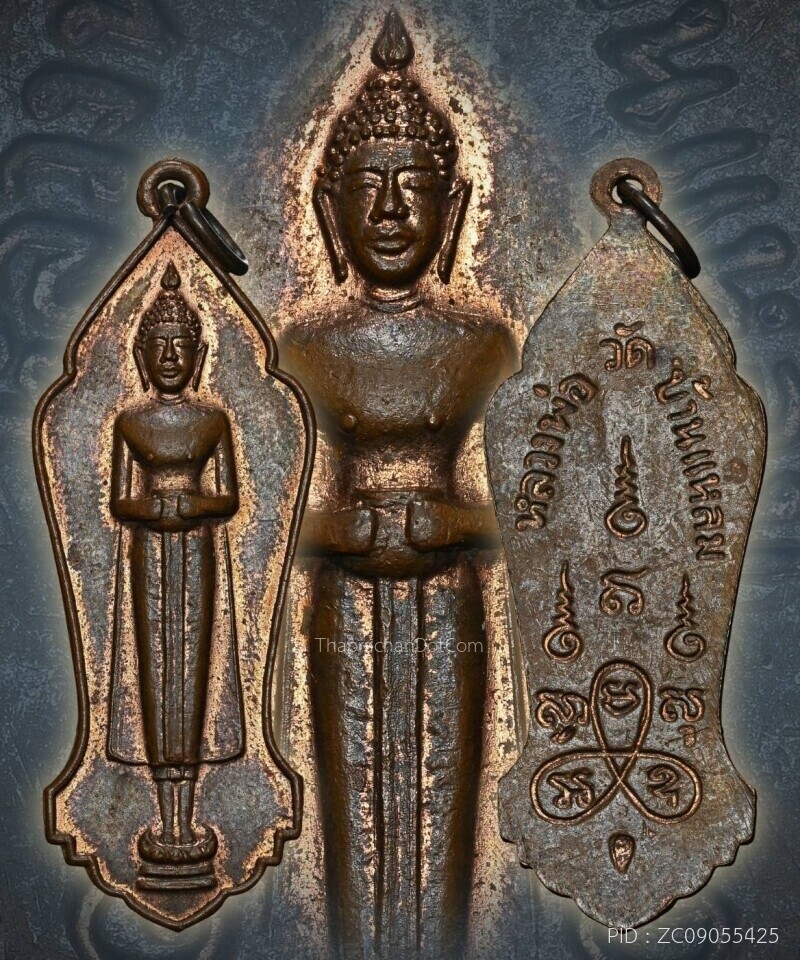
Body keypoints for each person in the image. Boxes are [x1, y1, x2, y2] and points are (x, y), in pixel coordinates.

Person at [280, 12, 516, 957]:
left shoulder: (486, 347)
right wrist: (330, 531)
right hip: (338, 603)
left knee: (447, 809)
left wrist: (458, 520)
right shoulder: (301, 350)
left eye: (412, 186)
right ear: (326, 204)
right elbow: (261, 516)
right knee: (350, 809)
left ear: (452, 209)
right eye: (366, 187)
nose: (388, 211)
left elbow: (544, 508)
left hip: (452, 599)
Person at [108, 261, 241, 876]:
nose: (168, 356)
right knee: (154, 669)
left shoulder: (212, 421)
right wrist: (152, 509)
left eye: (179, 345)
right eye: (158, 345)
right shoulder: (130, 422)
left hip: (197, 552)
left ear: (198, 354)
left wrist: (193, 505)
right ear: (140, 354)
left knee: (192, 667)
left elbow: (228, 497)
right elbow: (120, 501)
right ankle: (165, 818)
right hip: (148, 555)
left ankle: (187, 816)